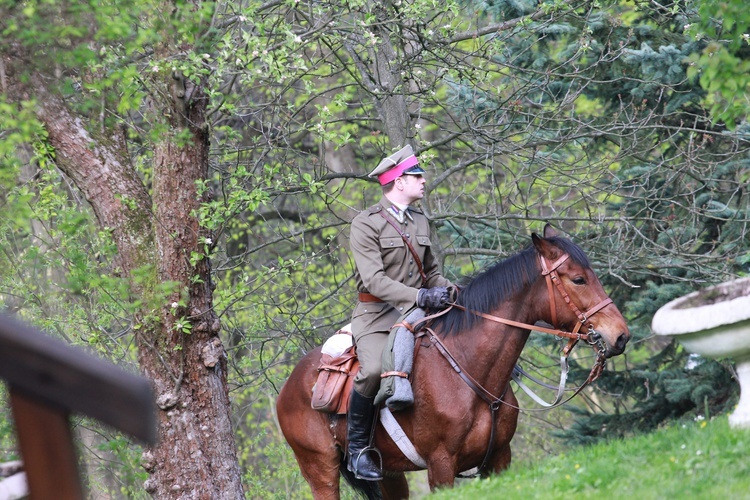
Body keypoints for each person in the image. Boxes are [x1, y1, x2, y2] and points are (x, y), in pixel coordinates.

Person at [346, 144, 453, 481]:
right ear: (398, 181)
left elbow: (431, 271)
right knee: (375, 368)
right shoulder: (366, 224)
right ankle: (358, 450)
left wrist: (451, 291)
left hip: (420, 313)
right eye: (416, 175)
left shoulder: (420, 220)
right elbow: (374, 281)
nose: (424, 180)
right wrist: (420, 295)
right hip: (377, 317)